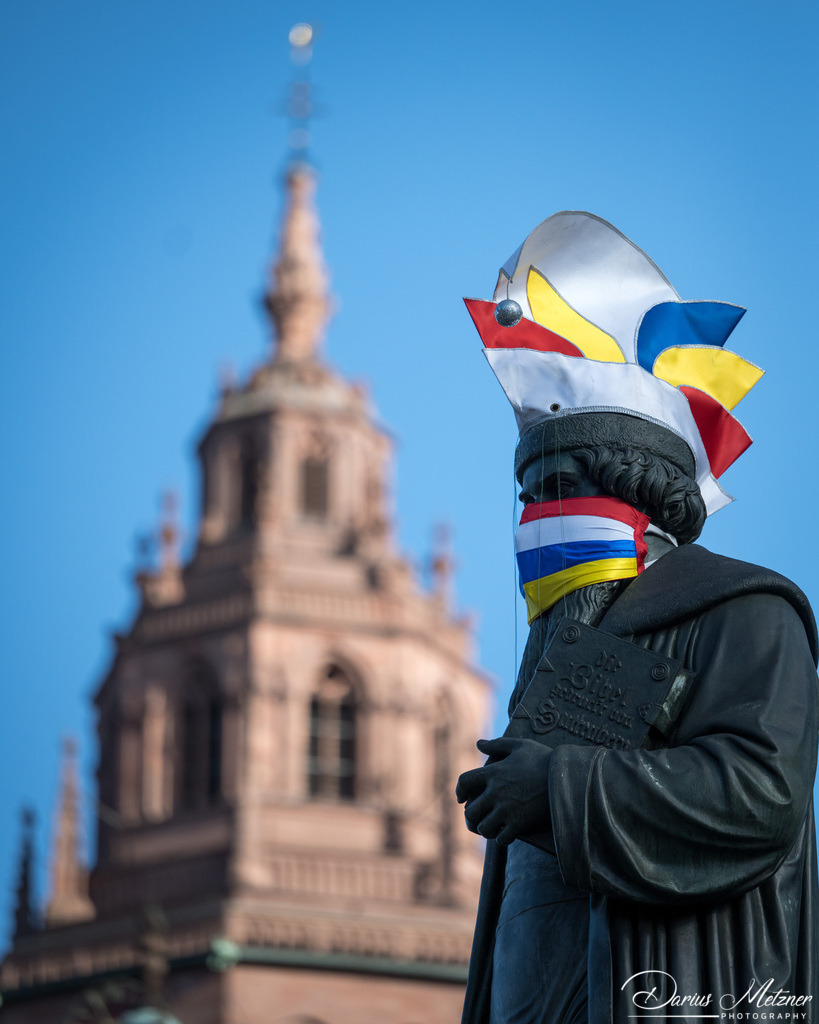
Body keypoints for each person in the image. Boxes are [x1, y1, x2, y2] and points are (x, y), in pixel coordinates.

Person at [456, 212, 819, 1024]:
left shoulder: (744, 609)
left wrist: (553, 785)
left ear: (628, 499)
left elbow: (761, 793)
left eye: (550, 494)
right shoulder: (553, 661)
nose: (531, 521)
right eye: (525, 499)